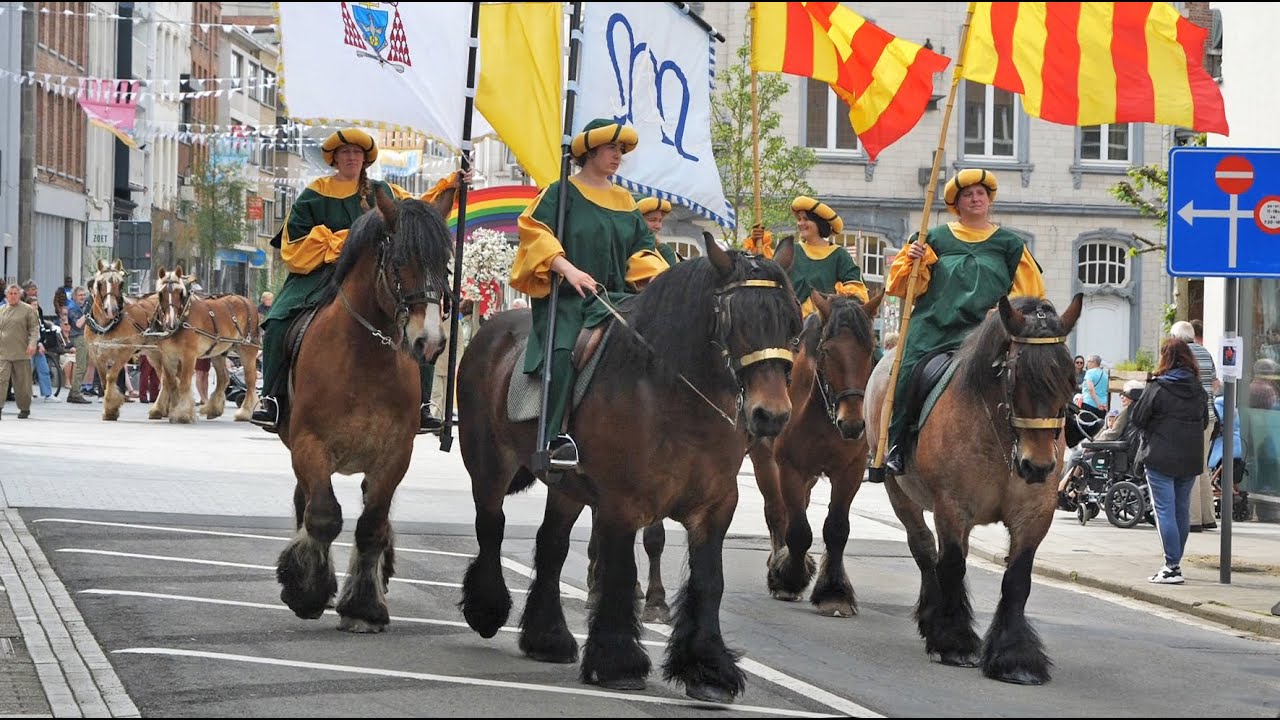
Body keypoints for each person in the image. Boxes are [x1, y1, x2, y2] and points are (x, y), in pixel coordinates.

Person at [251, 128, 464, 432]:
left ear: (365, 159)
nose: (351, 158)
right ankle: (272, 398)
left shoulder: (384, 191)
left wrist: (452, 185)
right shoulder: (316, 192)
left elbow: (421, 211)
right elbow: (294, 242)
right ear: (334, 159)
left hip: (376, 272)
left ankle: (421, 405)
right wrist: (340, 242)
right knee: (277, 321)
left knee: (418, 322)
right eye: (344, 153)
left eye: (356, 153)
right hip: (321, 272)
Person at [509, 117, 669, 471]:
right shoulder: (560, 192)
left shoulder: (626, 200)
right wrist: (567, 268)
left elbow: (643, 248)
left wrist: (658, 280)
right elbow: (534, 232)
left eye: (622, 151)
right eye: (612, 148)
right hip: (568, 299)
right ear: (590, 151)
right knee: (565, 352)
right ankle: (555, 438)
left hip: (617, 297)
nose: (618, 156)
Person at [881, 168, 1045, 477]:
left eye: (980, 193)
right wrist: (914, 260)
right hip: (934, 327)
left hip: (988, 332)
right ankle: (898, 443)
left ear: (989, 200)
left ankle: (1043, 442)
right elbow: (905, 288)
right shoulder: (934, 239)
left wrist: (1006, 313)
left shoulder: (1010, 244)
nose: (975, 198)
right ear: (957, 203)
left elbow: (1029, 293)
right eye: (968, 194)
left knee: (1034, 368)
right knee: (905, 370)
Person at [1129, 337, 1210, 584]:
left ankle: (1171, 566)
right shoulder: (1198, 389)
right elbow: (1205, 422)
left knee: (1164, 510)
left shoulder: (1158, 387)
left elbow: (1138, 418)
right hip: (1190, 457)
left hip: (1160, 456)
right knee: (1181, 510)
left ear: (1165, 358)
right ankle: (1175, 562)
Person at [785, 196, 868, 318]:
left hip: (824, 324)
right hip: (790, 322)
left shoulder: (839, 255)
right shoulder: (792, 250)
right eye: (799, 219)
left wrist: (839, 298)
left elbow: (856, 289)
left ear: (819, 223)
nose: (801, 223)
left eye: (806, 219)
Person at [1172, 319, 1219, 531]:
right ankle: (1208, 516)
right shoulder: (1205, 352)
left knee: (1190, 466)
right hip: (1209, 416)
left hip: (1191, 417)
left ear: (1177, 338)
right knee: (1202, 467)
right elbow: (1215, 384)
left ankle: (1193, 519)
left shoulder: (1181, 355)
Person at [0, 283, 40, 419]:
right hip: (3, 353)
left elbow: (34, 329)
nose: (12, 296)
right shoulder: (2, 310)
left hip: (22, 352)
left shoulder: (27, 310)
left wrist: (32, 344)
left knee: (22, 384)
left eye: (15, 293)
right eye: (10, 293)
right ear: (6, 295)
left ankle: (24, 408)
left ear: (20, 295)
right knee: (1, 380)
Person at [65, 287, 93, 404]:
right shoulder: (73, 308)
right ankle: (76, 393)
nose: (82, 297)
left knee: (84, 365)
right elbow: (78, 324)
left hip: (82, 337)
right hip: (79, 338)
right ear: (74, 296)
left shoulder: (77, 307)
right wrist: (87, 312)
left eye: (83, 295)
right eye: (80, 295)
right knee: (81, 366)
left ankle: (72, 393)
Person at [637, 196, 682, 267]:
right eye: (652, 220)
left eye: (660, 220)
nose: (658, 226)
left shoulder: (664, 251)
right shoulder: (625, 248)